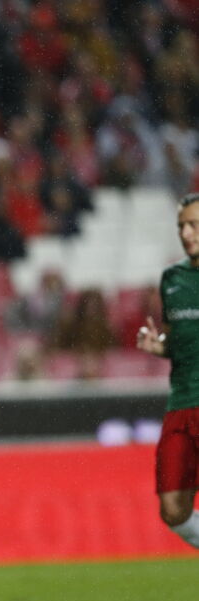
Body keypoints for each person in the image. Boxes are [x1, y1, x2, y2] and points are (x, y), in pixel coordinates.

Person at [136, 191, 199, 550]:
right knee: (173, 509)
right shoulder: (172, 279)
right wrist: (160, 347)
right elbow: (179, 341)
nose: (186, 234)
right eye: (181, 226)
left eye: (194, 225)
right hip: (181, 405)